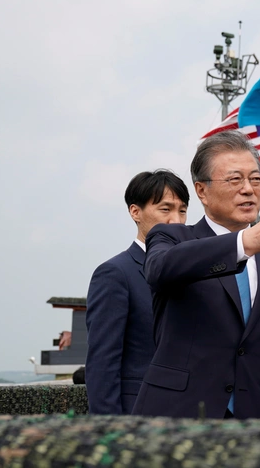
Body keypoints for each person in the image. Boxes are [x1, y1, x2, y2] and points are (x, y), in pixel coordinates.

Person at [132, 130, 260, 419]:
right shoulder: (172, 238)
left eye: (255, 179)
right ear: (202, 191)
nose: (248, 189)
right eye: (235, 179)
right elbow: (160, 269)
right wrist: (245, 243)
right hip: (182, 417)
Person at [85, 170, 190, 415]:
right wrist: (108, 431)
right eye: (165, 209)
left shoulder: (193, 270)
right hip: (138, 416)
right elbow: (103, 363)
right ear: (135, 212)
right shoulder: (115, 273)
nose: (176, 220)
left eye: (182, 210)